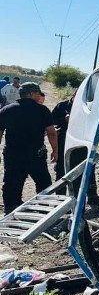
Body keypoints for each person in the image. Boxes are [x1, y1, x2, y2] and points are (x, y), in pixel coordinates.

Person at [0, 82, 57, 211]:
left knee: (12, 182)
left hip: (13, 155)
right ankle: (43, 209)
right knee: (43, 182)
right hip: (35, 155)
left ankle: (10, 208)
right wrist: (55, 150)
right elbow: (52, 133)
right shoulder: (42, 110)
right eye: (38, 93)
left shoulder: (7, 110)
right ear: (31, 93)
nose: (39, 96)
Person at [51, 91, 99, 204]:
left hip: (84, 143)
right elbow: (51, 121)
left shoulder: (89, 107)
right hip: (65, 143)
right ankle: (60, 199)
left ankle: (92, 198)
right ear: (73, 96)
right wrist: (64, 119)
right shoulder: (62, 106)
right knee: (61, 170)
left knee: (88, 169)